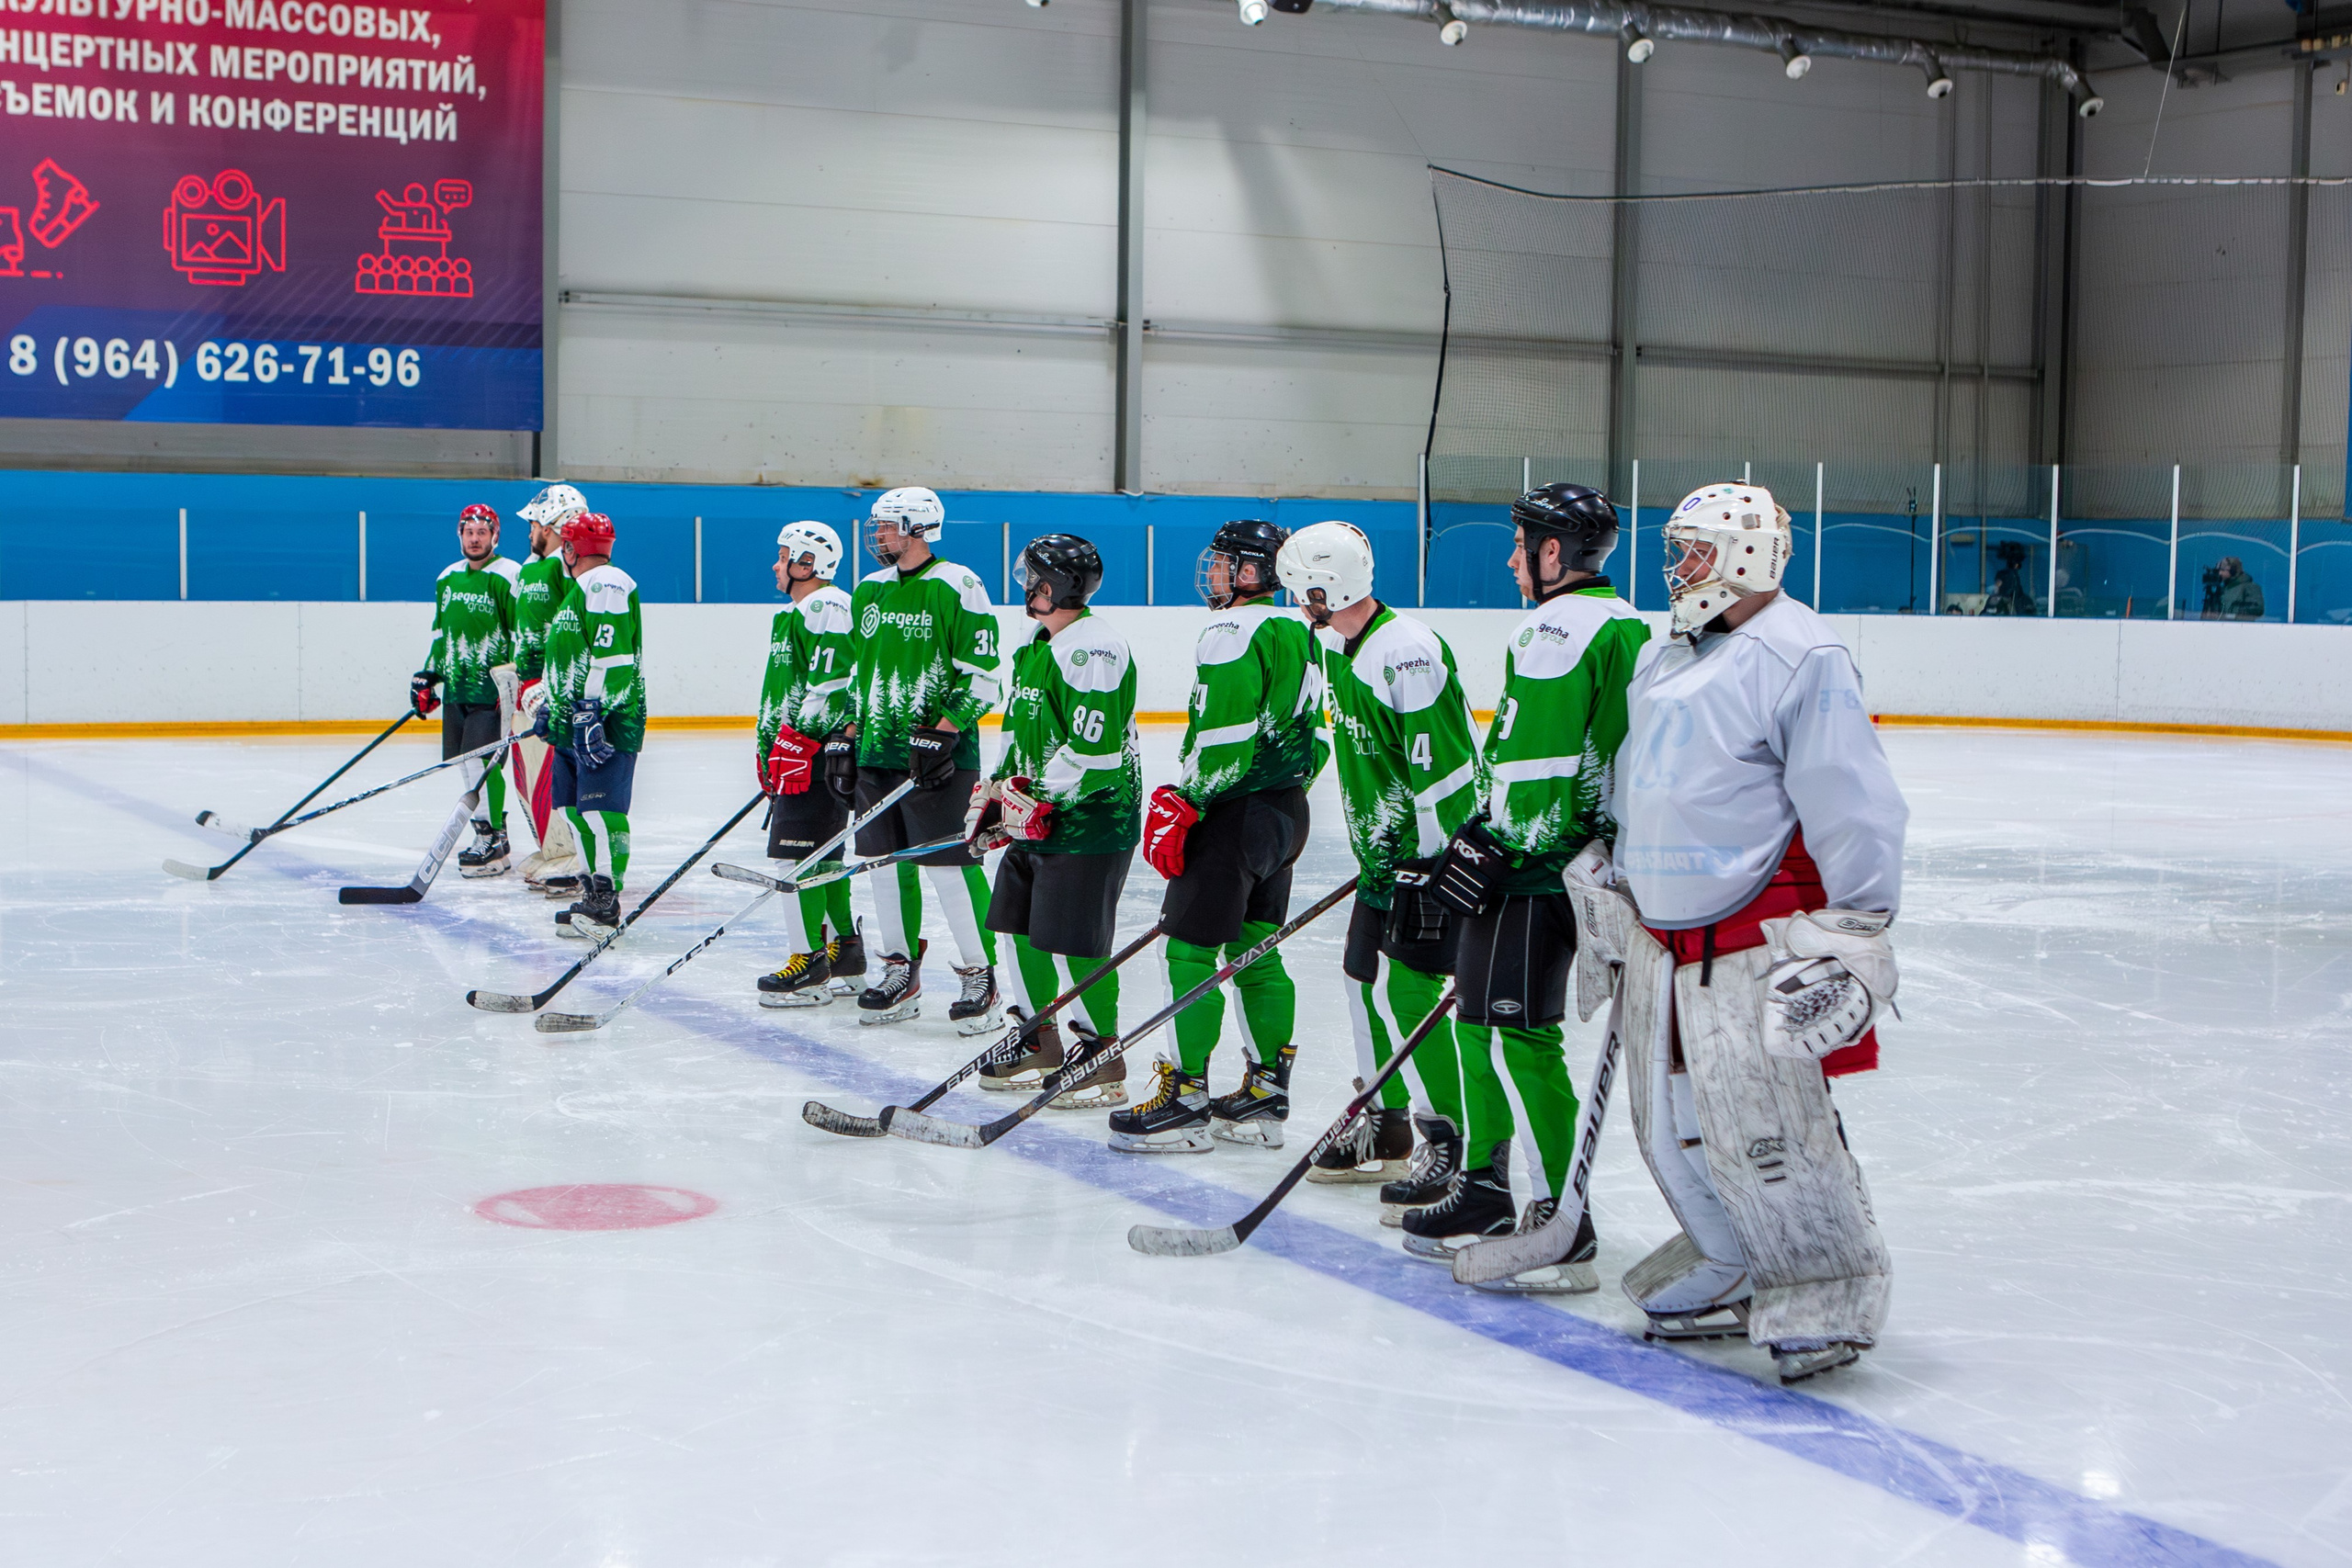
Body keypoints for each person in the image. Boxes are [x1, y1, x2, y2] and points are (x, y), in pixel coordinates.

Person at [1603, 480, 1907, 1383]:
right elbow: (1642, 776)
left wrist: (1854, 923)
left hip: (1749, 936)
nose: (1677, 569)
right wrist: (1608, 861)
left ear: (1746, 555)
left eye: (1693, 551)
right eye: (1677, 551)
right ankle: (1730, 1256)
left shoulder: (1799, 652)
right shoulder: (1671, 653)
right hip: (1663, 937)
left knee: (1771, 1135)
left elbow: (1854, 798)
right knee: (1673, 1126)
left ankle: (1824, 1286)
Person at [1418, 483, 1647, 1279]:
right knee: (1475, 1024)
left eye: (1523, 544)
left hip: (1535, 866)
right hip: (1560, 857)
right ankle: (1485, 1185)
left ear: (1556, 553)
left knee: (1519, 1034)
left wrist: (1492, 841)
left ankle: (1562, 1212)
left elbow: (1535, 765)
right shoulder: (1623, 623)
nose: (1514, 558)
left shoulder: (1559, 627)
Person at [1273, 522, 1488, 1192]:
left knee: (1409, 995)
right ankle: (1384, 1121)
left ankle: (1448, 1138)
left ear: (1322, 588)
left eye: (1298, 590)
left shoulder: (1407, 653)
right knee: (1360, 978)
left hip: (1428, 863)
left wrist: (1437, 864)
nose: (1294, 603)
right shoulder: (1344, 650)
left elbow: (1447, 771)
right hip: (1386, 859)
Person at [1118, 519, 1326, 1152]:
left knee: (1187, 953)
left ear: (1253, 572)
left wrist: (1190, 799)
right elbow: (1312, 740)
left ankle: (1184, 1097)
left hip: (1232, 810)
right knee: (1257, 951)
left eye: (1224, 563)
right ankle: (1266, 1092)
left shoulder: (1232, 628)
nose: (1212, 572)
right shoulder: (1303, 631)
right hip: (1285, 812)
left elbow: (1223, 737)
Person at [967, 534, 1137, 1112]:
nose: (1024, 586)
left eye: (1033, 578)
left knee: (1075, 941)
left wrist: (1034, 797)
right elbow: (1019, 731)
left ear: (1055, 587)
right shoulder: (1037, 644)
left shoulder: (1095, 650)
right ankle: (1040, 1036)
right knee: (1015, 926)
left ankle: (1101, 1054)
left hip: (1091, 818)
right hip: (1036, 815)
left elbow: (1095, 750)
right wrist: (997, 791)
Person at [841, 487, 1003, 1029]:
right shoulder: (868, 589)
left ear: (915, 527)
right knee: (884, 868)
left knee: (948, 867)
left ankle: (980, 973)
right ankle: (899, 971)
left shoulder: (958, 583)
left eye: (886, 525)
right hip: (877, 754)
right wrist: (847, 734)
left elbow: (984, 678)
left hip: (941, 759)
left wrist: (944, 731)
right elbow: (859, 675)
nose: (878, 534)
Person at [753, 521, 867, 1007]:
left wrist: (798, 742)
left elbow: (835, 681)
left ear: (807, 564)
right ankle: (844, 950)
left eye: (784, 557)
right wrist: (769, 747)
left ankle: (809, 961)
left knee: (796, 860)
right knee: (823, 858)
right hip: (797, 752)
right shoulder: (793, 615)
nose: (776, 566)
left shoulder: (827, 606)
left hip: (816, 755)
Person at [526, 511, 646, 938]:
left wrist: (590, 711)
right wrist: (552, 707)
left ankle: (606, 899)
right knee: (573, 810)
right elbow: (569, 661)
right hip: (575, 720)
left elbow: (613, 658)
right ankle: (591, 887)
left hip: (606, 723)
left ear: (572, 550)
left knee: (601, 810)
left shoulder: (605, 583)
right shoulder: (580, 590)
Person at [410, 502, 521, 878]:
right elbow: (441, 635)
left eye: (482, 532)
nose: (475, 539)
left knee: (482, 762)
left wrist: (515, 682)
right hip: (457, 687)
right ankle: (492, 836)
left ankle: (492, 837)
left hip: (490, 690)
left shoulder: (509, 575)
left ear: (495, 536)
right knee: (465, 762)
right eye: (468, 532)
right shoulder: (448, 577)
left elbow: (520, 634)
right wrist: (429, 674)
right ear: (460, 535)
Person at [510, 482, 583, 895]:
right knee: (529, 776)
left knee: (554, 777)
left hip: (550, 692)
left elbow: (573, 630)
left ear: (555, 522)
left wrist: (552, 687)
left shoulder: (567, 567)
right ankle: (550, 847)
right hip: (525, 689)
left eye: (535, 522)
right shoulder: (529, 567)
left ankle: (570, 854)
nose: (530, 529)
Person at [2203, 556, 2266, 620]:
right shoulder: (2222, 589)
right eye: (2218, 570)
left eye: (2222, 570)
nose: (2219, 573)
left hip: (2241, 628)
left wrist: (2230, 613)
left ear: (2233, 571)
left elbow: (2258, 609)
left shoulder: (2250, 587)